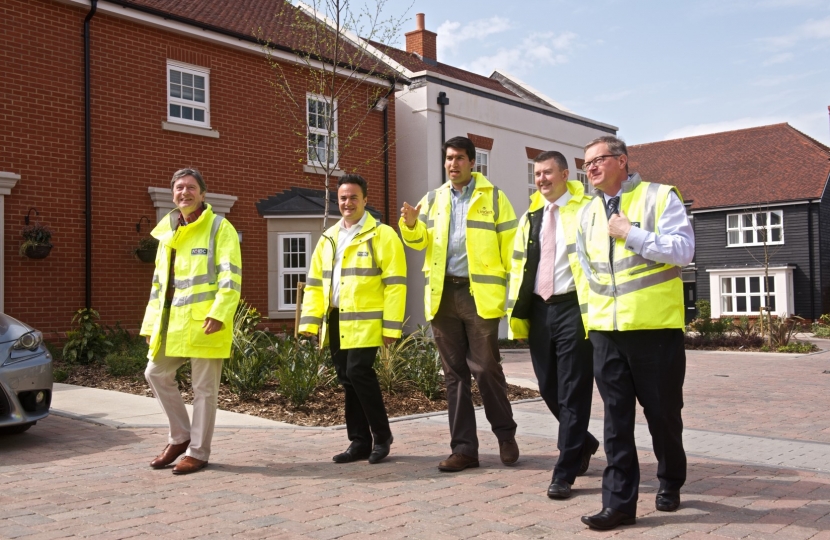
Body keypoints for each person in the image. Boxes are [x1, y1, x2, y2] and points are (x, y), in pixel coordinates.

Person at [576, 136, 694, 530]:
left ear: (622, 161)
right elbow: (586, 275)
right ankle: (619, 504)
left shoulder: (660, 197)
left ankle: (670, 480)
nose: (590, 167)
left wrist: (633, 234)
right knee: (616, 420)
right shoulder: (588, 214)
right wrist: (589, 325)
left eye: (598, 160)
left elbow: (684, 251)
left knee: (662, 415)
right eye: (586, 163)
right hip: (606, 333)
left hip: (654, 330)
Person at [400, 136, 519, 472]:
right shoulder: (434, 199)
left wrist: (516, 296)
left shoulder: (494, 198)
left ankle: (505, 435)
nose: (453, 164)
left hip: (479, 295)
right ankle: (464, 449)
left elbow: (512, 249)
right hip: (443, 295)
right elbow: (419, 240)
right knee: (454, 376)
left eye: (459, 158)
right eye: (448, 158)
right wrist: (410, 225)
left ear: (472, 163)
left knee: (486, 369)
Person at [506, 150, 600, 500]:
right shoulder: (530, 215)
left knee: (574, 390)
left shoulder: (586, 209)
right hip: (540, 310)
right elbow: (520, 266)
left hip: (574, 307)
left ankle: (565, 471)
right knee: (548, 387)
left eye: (547, 173)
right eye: (537, 174)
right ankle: (585, 443)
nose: (541, 179)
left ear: (565, 174)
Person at [299, 174, 406, 464]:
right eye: (343, 198)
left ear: (365, 200)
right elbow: (314, 283)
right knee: (347, 379)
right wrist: (309, 323)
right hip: (335, 319)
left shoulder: (382, 234)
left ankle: (382, 437)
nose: (348, 202)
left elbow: (395, 283)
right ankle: (359, 442)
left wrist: (392, 327)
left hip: (366, 321)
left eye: (354, 197)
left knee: (360, 373)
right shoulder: (328, 237)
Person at [141, 168, 242, 475]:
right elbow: (159, 285)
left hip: (206, 322)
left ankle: (198, 452)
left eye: (190, 188)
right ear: (173, 194)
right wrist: (150, 325)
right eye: (178, 188)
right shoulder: (167, 232)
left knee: (204, 390)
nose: (184, 192)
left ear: (202, 194)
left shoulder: (218, 227)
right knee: (155, 373)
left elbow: (230, 276)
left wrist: (219, 313)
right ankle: (181, 436)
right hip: (172, 323)